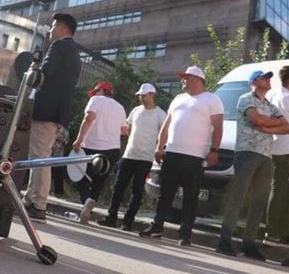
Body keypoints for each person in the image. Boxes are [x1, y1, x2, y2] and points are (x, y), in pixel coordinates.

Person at [140, 66, 224, 246]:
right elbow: (167, 124)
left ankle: (185, 234)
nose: (183, 81)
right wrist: (159, 146)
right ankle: (157, 228)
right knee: (166, 193)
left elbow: (218, 127)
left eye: (186, 78)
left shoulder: (212, 99)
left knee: (190, 196)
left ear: (197, 79)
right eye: (183, 78)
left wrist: (214, 150)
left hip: (194, 156)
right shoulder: (178, 98)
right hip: (172, 153)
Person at [216, 69, 289, 260]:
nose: (268, 80)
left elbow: (288, 127)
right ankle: (224, 242)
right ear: (254, 81)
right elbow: (255, 118)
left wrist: (266, 127)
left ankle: (248, 245)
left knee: (258, 201)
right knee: (238, 197)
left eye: (268, 78)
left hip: (266, 156)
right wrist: (269, 123)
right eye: (264, 78)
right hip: (247, 153)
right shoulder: (245, 99)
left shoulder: (270, 105)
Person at [22, 13, 81, 222]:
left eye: (53, 25)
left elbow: (43, 74)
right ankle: (30, 199)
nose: (50, 29)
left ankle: (39, 205)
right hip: (57, 112)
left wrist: (32, 71)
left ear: (63, 27)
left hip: (45, 109)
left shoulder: (59, 47)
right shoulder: (75, 52)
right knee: (38, 155)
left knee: (40, 156)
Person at [98, 83, 167, 231]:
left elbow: (164, 134)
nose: (141, 98)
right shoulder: (136, 110)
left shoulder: (161, 115)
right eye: (140, 95)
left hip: (146, 158)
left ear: (152, 95)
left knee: (137, 190)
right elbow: (127, 127)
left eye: (144, 95)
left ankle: (127, 221)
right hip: (129, 154)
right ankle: (111, 217)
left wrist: (157, 148)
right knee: (118, 186)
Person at [72, 81, 128, 225]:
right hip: (112, 149)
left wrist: (78, 140)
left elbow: (88, 118)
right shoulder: (120, 107)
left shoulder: (95, 100)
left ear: (100, 91)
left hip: (92, 146)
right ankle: (91, 201)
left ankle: (86, 201)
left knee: (81, 175)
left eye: (95, 92)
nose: (93, 94)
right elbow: (123, 131)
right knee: (99, 180)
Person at [266, 65, 289, 244]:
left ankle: (277, 231)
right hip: (287, 149)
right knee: (280, 191)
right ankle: (273, 232)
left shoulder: (271, 95)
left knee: (277, 189)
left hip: (273, 146)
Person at [50, 124, 69, 197]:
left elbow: (66, 141)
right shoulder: (50, 126)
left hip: (58, 155)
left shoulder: (64, 130)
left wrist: (58, 137)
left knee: (58, 173)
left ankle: (58, 192)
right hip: (47, 154)